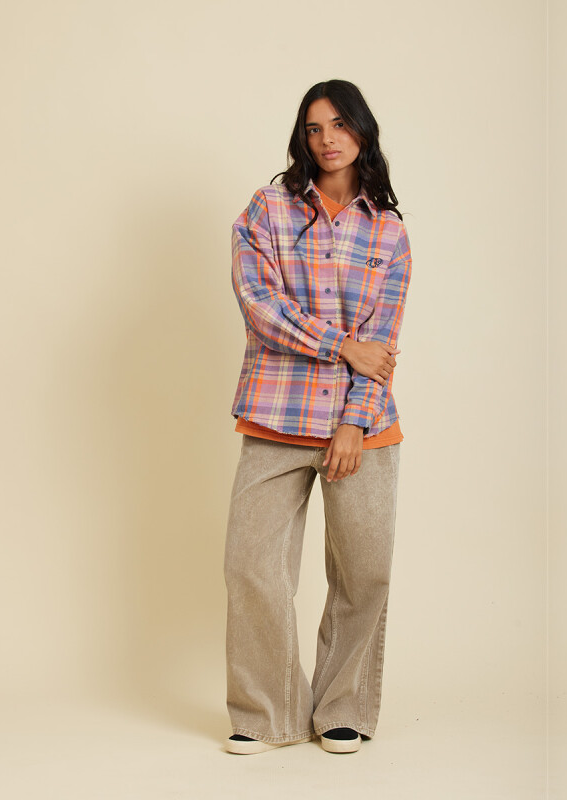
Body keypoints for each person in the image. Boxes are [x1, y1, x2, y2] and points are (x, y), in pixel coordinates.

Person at [223, 79, 412, 755]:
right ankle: (264, 713)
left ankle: (342, 708)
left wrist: (355, 423)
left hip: (362, 426)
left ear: (362, 130)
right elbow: (260, 307)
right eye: (313, 127)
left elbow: (380, 344)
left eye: (339, 124)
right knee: (252, 568)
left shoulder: (389, 232)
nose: (327, 139)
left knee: (364, 574)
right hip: (276, 415)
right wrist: (340, 345)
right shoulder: (268, 209)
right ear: (301, 137)